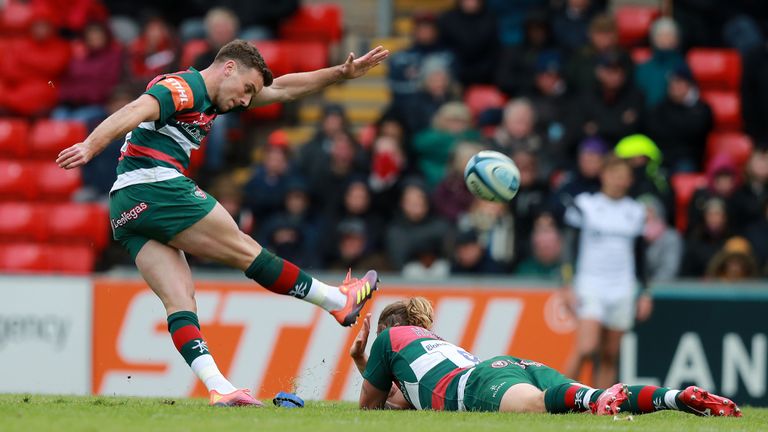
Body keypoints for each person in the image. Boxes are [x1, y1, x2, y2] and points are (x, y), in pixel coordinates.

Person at [56, 39, 389, 407]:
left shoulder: (214, 99)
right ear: (228, 67)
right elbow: (136, 108)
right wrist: (91, 145)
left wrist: (341, 73)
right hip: (156, 186)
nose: (246, 101)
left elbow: (283, 89)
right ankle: (334, 300)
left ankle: (218, 386)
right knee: (247, 251)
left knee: (181, 300)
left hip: (126, 206)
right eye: (247, 90)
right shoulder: (184, 87)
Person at [349, 297, 741, 416]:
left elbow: (371, 409)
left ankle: (605, 400)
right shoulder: (436, 349)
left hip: (477, 387)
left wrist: (361, 360)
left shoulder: (391, 339)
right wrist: (368, 368)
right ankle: (678, 397)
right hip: (506, 366)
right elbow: (402, 404)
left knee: (541, 407)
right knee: (590, 395)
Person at [561, 156, 652, 389]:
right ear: (604, 175)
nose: (618, 181)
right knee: (586, 347)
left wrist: (644, 292)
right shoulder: (586, 205)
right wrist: (567, 284)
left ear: (630, 180)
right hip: (590, 283)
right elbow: (569, 248)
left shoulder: (636, 211)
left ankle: (600, 404)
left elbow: (641, 256)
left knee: (610, 353)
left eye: (623, 176)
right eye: (614, 175)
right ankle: (560, 396)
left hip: (622, 285)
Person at [645, 64, 713, 174]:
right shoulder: (660, 107)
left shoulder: (702, 109)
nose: (675, 86)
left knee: (685, 168)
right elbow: (653, 129)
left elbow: (696, 132)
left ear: (690, 85)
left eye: (679, 82)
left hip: (688, 160)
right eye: (672, 82)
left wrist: (672, 126)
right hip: (662, 157)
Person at [634, 17, 687, 109]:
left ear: (676, 40)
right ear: (653, 39)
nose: (665, 40)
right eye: (661, 36)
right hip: (647, 116)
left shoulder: (682, 67)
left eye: (669, 35)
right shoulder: (643, 69)